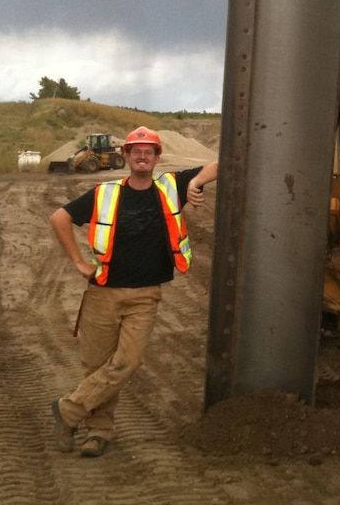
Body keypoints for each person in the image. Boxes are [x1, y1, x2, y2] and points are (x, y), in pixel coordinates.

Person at [49, 126, 218, 457]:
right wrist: (78, 262)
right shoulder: (104, 192)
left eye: (149, 151)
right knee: (98, 366)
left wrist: (196, 182)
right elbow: (59, 218)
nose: (142, 155)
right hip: (102, 294)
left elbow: (221, 164)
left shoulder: (172, 186)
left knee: (126, 363)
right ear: (125, 156)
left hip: (144, 296)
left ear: (157, 158)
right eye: (135, 150)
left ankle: (68, 410)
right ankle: (98, 432)